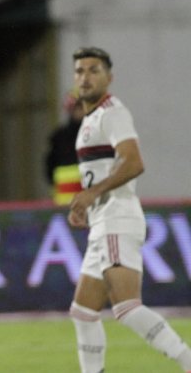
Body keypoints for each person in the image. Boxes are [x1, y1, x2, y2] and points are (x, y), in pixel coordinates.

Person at [65, 46, 191, 373]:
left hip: (117, 218)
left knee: (126, 308)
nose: (85, 76)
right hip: (103, 221)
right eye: (80, 70)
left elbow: (133, 162)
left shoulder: (112, 112)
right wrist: (87, 202)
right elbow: (105, 167)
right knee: (83, 312)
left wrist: (93, 193)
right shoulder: (91, 118)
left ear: (110, 77)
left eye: (94, 70)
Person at [46, 93, 85, 205]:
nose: (79, 111)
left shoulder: (94, 134)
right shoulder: (59, 136)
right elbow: (50, 163)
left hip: (88, 196)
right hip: (64, 198)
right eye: (76, 108)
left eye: (81, 107)